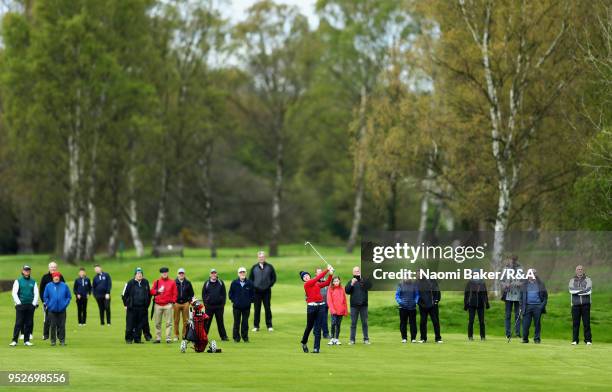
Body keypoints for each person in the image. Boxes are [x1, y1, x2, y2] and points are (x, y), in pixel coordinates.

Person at [300, 266, 333, 353]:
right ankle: (304, 342)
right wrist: (327, 269)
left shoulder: (316, 284)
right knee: (309, 326)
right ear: (303, 280)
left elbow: (327, 283)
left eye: (307, 275)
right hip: (311, 307)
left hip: (321, 306)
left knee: (318, 327)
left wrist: (331, 274)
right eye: (304, 277)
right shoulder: (307, 284)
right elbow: (318, 277)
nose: (306, 277)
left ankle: (316, 348)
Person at [10, 265, 39, 347]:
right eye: (25, 270)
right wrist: (18, 303)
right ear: (22, 271)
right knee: (18, 323)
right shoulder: (18, 281)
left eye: (28, 270)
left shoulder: (33, 282)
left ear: (30, 271)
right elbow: (14, 293)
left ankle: (26, 340)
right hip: (20, 305)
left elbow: (36, 293)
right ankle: (14, 340)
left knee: (29, 323)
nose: (27, 271)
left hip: (30, 305)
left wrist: (34, 303)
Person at [249, 251, 276, 332]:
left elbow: (273, 278)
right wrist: (254, 287)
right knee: (257, 309)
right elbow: (251, 279)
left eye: (263, 257)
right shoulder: (254, 267)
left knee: (267, 308)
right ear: (258, 258)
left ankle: (269, 325)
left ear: (265, 257)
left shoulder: (270, 267)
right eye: (260, 257)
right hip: (256, 292)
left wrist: (269, 285)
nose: (261, 258)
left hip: (267, 291)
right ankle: (256, 326)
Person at [122, 267, 151, 344]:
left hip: (142, 308)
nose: (139, 275)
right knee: (130, 324)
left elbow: (149, 294)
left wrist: (147, 304)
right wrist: (125, 305)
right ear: (135, 275)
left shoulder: (145, 282)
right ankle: (128, 339)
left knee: (139, 325)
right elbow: (124, 295)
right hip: (132, 307)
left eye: (141, 274)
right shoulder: (130, 283)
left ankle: (137, 339)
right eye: (138, 274)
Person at [42, 271, 72, 346]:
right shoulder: (48, 286)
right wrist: (49, 304)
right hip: (52, 309)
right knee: (53, 325)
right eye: (55, 276)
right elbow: (45, 297)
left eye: (57, 277)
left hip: (62, 309)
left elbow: (68, 296)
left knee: (62, 325)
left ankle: (62, 340)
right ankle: (53, 341)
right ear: (53, 277)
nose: (56, 278)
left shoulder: (64, 285)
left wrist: (65, 304)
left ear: (59, 277)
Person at [150, 267, 178, 343]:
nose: (164, 273)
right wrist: (157, 291)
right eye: (163, 272)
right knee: (157, 322)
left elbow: (175, 293)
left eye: (165, 272)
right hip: (158, 305)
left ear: (167, 273)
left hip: (168, 304)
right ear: (161, 273)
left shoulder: (172, 282)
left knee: (169, 322)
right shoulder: (157, 282)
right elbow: (152, 291)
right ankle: (158, 338)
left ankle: (168, 338)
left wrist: (172, 302)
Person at [345, 266, 372, 345]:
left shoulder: (364, 280)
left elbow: (369, 286)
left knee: (364, 323)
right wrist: (352, 284)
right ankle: (352, 340)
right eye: (355, 271)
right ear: (353, 273)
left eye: (358, 271)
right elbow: (347, 291)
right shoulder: (351, 281)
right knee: (353, 323)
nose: (357, 272)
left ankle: (366, 339)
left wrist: (362, 279)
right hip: (354, 306)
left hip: (364, 305)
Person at [520, 269, 548, 344]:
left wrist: (541, 306)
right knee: (526, 324)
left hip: (537, 306)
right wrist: (521, 307)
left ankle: (537, 339)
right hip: (527, 306)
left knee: (537, 324)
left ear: (535, 275)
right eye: (530, 274)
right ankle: (525, 339)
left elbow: (545, 297)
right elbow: (521, 297)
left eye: (533, 273)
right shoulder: (524, 284)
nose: (532, 275)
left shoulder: (541, 284)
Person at [39, 260, 65, 340]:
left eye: (54, 267)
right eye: (51, 267)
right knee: (47, 319)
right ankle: (45, 335)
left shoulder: (60, 276)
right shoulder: (45, 277)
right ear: (49, 268)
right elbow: (41, 290)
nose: (53, 268)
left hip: (58, 303)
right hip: (48, 302)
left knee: (59, 320)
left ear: (56, 268)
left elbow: (63, 288)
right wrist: (43, 301)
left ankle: (58, 335)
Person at [228, 267, 254, 343]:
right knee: (236, 322)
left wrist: (249, 301)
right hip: (236, 307)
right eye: (240, 272)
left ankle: (245, 337)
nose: (242, 273)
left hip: (246, 307)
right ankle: (236, 338)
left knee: (245, 323)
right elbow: (230, 294)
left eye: (243, 272)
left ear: (246, 273)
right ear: (238, 274)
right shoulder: (234, 283)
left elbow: (253, 294)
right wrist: (234, 301)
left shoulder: (250, 283)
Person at [202, 268, 229, 341]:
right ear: (210, 275)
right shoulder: (206, 283)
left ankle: (224, 336)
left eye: (215, 273)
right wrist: (206, 304)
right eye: (212, 273)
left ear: (216, 274)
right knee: (207, 323)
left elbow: (224, 294)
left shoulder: (220, 282)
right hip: (209, 307)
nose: (213, 274)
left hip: (219, 307)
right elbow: (204, 294)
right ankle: (203, 337)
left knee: (220, 322)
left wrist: (222, 304)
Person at [569, 265, 592, 345]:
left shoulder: (588, 279)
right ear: (576, 271)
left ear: (583, 270)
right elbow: (571, 290)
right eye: (578, 269)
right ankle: (575, 340)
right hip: (575, 305)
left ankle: (588, 340)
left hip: (586, 304)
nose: (579, 270)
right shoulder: (572, 280)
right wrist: (582, 290)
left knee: (586, 323)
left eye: (581, 269)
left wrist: (577, 291)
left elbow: (588, 291)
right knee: (575, 323)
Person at [501, 255, 523, 340]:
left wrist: (520, 284)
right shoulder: (505, 269)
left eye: (514, 260)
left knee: (518, 315)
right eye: (511, 260)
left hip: (518, 295)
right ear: (509, 260)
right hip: (508, 295)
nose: (513, 261)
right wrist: (505, 285)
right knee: (508, 315)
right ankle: (508, 333)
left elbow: (523, 281)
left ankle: (517, 333)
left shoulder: (520, 269)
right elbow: (501, 281)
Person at [464, 274, 490, 341]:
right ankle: (470, 336)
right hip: (471, 304)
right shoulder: (469, 283)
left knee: (481, 321)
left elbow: (485, 294)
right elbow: (466, 294)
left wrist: (487, 303)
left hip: (481, 304)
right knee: (471, 321)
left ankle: (483, 336)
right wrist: (465, 305)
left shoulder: (482, 283)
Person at [417, 277, 443, 343]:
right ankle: (423, 338)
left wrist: (436, 301)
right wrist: (419, 303)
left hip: (433, 306)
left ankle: (438, 338)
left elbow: (437, 291)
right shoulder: (417, 282)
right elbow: (416, 294)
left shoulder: (432, 281)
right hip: (422, 306)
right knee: (423, 322)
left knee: (435, 322)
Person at [395, 278, 419, 343]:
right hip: (403, 307)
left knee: (413, 323)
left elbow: (417, 295)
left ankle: (413, 338)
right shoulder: (400, 284)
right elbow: (397, 295)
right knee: (403, 323)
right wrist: (400, 302)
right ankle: (404, 338)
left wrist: (415, 301)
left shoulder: (414, 284)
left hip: (412, 307)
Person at [174, 268, 194, 342]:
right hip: (176, 303)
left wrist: (189, 301)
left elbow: (192, 294)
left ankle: (184, 335)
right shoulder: (174, 282)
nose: (181, 274)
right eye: (180, 273)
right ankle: (176, 335)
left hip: (185, 303)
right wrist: (173, 301)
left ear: (184, 274)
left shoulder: (188, 283)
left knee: (186, 320)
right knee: (176, 320)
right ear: (177, 274)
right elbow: (171, 293)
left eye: (182, 273)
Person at [326, 275, 348, 345]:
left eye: (337, 281)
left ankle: (336, 339)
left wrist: (345, 311)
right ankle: (332, 338)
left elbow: (344, 301)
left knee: (338, 325)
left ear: (339, 281)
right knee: (333, 323)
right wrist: (332, 310)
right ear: (332, 282)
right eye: (334, 281)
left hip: (341, 310)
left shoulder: (342, 289)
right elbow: (329, 300)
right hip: (334, 311)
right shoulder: (330, 289)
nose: (336, 282)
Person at [315, 268, 330, 339]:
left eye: (321, 272)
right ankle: (316, 332)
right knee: (316, 319)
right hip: (316, 304)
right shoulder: (313, 282)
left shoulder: (326, 282)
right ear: (316, 274)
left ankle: (326, 334)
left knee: (324, 319)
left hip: (325, 304)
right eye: (318, 272)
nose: (320, 273)